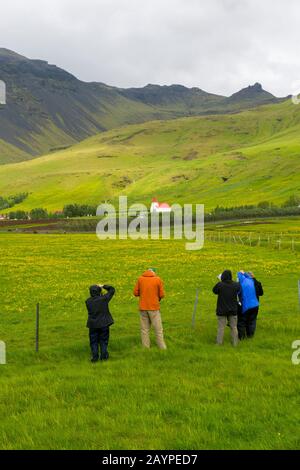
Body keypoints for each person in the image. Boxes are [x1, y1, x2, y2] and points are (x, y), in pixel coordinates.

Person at [133, 268, 167, 350]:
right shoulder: (157, 279)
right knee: (158, 329)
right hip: (154, 307)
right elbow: (162, 295)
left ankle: (145, 347)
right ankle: (162, 347)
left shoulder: (140, 279)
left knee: (144, 329)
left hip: (143, 307)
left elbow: (135, 293)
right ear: (154, 272)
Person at [85, 284, 115, 362]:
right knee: (103, 341)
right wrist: (103, 286)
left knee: (93, 342)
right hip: (104, 323)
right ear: (99, 292)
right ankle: (104, 356)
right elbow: (112, 290)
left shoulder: (88, 301)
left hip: (93, 324)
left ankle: (95, 357)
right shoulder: (103, 299)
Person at [213, 270, 240, 346]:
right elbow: (239, 289)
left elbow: (214, 291)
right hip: (233, 309)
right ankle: (235, 343)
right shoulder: (236, 285)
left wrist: (220, 281)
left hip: (222, 309)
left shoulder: (220, 285)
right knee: (234, 327)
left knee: (221, 327)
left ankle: (219, 343)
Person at [237, 271, 263, 339]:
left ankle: (242, 337)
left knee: (242, 322)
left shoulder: (242, 283)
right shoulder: (256, 282)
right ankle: (250, 336)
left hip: (246, 306)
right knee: (252, 321)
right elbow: (261, 293)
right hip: (255, 305)